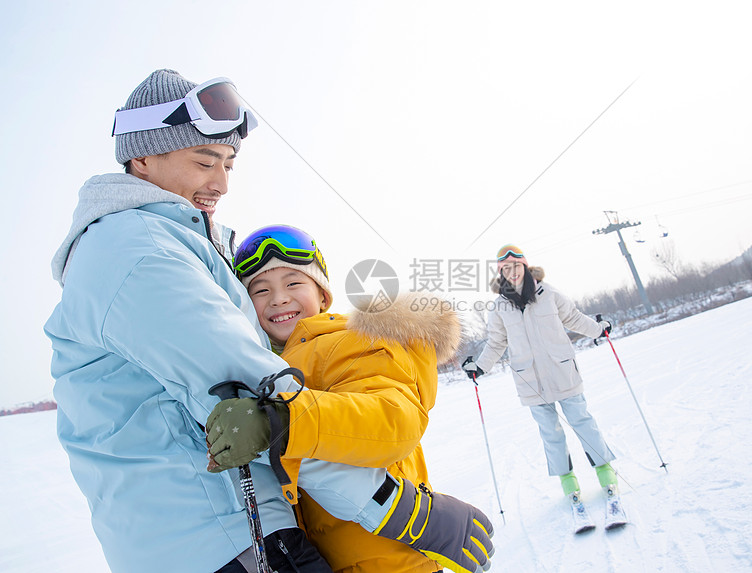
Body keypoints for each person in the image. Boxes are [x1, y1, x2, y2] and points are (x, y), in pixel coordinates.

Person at [44, 69, 492, 573]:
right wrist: (403, 511)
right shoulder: (141, 254)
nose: (220, 183)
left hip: (221, 533)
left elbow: (377, 415)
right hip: (224, 536)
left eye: (229, 165)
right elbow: (257, 406)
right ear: (143, 157)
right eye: (204, 161)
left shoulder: (153, 247)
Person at [206, 224, 491, 573]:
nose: (278, 298)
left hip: (387, 559)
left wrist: (281, 420)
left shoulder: (349, 341)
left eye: (293, 283)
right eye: (260, 290)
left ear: (323, 295)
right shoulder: (268, 366)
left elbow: (391, 421)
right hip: (327, 557)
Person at [461, 245, 620, 513]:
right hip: (530, 381)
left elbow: (573, 318)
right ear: (501, 272)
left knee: (583, 423)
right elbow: (497, 342)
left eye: (516, 266)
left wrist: (598, 329)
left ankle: (607, 477)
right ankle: (570, 487)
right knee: (551, 434)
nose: (512, 272)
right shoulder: (499, 305)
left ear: (525, 266)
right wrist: (480, 367)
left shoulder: (549, 293)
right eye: (505, 268)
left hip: (563, 372)